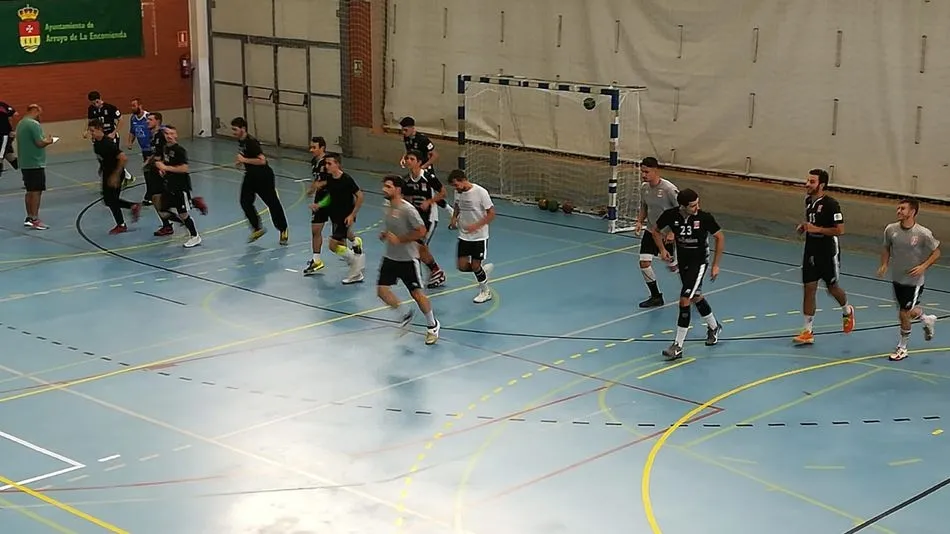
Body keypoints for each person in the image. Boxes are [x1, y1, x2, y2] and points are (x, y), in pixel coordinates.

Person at [651, 188, 724, 360]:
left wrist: (715, 265)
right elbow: (655, 231)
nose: (697, 207)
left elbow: (720, 237)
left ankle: (677, 346)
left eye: (697, 203)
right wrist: (662, 250)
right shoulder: (671, 215)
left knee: (684, 299)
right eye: (692, 206)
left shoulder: (704, 218)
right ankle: (714, 326)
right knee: (695, 296)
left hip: (699, 263)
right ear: (682, 206)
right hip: (683, 261)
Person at [377, 174, 441, 345]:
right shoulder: (387, 206)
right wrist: (386, 234)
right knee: (382, 291)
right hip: (390, 257)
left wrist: (400, 239)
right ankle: (405, 314)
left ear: (398, 189)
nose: (384, 189)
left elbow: (421, 231)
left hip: (408, 259)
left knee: (417, 295)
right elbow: (393, 227)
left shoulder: (408, 210)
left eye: (388, 186)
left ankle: (432, 325)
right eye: (384, 186)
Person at [793, 168, 855, 345]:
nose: (807, 184)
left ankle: (847, 311)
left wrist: (817, 229)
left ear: (821, 185)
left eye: (812, 182)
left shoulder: (831, 204)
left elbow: (840, 230)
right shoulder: (808, 201)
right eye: (807, 180)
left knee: (832, 288)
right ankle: (807, 331)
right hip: (810, 249)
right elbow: (812, 222)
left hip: (828, 251)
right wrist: (804, 226)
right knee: (809, 288)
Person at [877, 198, 940, 361]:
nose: (899, 211)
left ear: (912, 212)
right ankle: (926, 319)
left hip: (914, 281)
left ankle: (902, 348)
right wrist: (884, 264)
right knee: (907, 311)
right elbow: (886, 247)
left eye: (903, 208)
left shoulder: (922, 233)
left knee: (903, 313)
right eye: (898, 208)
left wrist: (923, 266)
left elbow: (936, 252)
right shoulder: (891, 229)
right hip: (897, 278)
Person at [230, 117, 289, 245]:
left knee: (272, 203)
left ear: (243, 129)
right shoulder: (241, 142)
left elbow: (262, 160)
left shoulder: (251, 142)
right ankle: (257, 228)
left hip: (263, 176)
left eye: (235, 129)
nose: (233, 132)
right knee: (245, 202)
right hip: (250, 176)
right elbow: (245, 155)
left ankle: (283, 229)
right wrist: (240, 162)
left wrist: (244, 160)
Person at [309, 153, 365, 283]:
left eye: (330, 164)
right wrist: (319, 205)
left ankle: (357, 268)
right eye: (326, 164)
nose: (327, 166)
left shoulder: (346, 179)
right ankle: (357, 263)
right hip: (336, 215)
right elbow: (330, 197)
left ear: (337, 164)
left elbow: (360, 196)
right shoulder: (330, 180)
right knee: (337, 244)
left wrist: (352, 215)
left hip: (345, 216)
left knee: (333, 245)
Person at [634, 156, 680, 308]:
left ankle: (692, 291)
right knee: (644, 263)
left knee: (672, 265)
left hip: (667, 233)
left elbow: (682, 211)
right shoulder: (644, 188)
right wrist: (640, 221)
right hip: (651, 231)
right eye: (642, 172)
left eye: (646, 172)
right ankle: (656, 296)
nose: (643, 175)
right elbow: (644, 206)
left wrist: (674, 231)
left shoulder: (669, 189)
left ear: (655, 171)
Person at [448, 169, 496, 303]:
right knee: (462, 266)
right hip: (464, 235)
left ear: (463, 180)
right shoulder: (458, 192)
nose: (456, 188)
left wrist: (476, 226)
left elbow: (492, 213)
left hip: (479, 236)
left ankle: (485, 291)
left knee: (475, 266)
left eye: (456, 185)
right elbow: (457, 206)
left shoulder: (481, 192)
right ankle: (481, 271)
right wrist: (454, 218)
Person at [402, 150, 447, 288]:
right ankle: (435, 271)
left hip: (429, 218)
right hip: (415, 218)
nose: (408, 161)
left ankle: (432, 272)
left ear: (419, 162)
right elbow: (407, 198)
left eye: (412, 159)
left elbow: (443, 193)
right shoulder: (406, 180)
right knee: (419, 247)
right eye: (407, 158)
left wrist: (429, 201)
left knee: (419, 246)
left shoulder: (428, 177)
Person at [88, 120, 142, 234]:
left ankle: (121, 224)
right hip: (107, 173)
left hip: (115, 174)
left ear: (100, 129)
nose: (91, 133)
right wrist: (102, 167)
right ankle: (133, 206)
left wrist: (116, 175)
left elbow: (123, 158)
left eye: (92, 131)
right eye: (90, 131)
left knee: (111, 200)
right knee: (109, 200)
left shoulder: (107, 143)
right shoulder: (97, 143)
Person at [155, 125, 204, 248]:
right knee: (163, 210)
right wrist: (163, 170)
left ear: (176, 135)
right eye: (167, 134)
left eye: (172, 134)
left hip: (180, 187)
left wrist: (165, 167)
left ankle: (195, 236)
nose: (169, 136)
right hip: (169, 186)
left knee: (183, 213)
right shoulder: (166, 148)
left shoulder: (180, 150)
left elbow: (184, 168)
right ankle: (190, 209)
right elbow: (167, 163)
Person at [399, 116, 454, 220]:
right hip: (415, 169)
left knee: (431, 192)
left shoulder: (423, 140)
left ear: (412, 128)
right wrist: (404, 158)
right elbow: (408, 151)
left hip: (425, 170)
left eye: (405, 130)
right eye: (402, 130)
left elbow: (435, 155)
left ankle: (446, 210)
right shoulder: (406, 138)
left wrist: (423, 167)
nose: (403, 132)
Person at [15, 104, 54, 230]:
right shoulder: (33, 124)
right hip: (35, 162)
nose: (40, 116)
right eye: (39, 113)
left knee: (29, 190)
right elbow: (39, 142)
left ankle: (29, 217)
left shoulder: (21, 123)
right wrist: (49, 141)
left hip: (25, 162)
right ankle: (35, 218)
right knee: (36, 191)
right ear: (35, 110)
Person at [303, 136, 338, 275]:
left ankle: (355, 243)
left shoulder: (328, 162)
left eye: (314, 147)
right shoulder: (314, 162)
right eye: (310, 147)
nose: (311, 150)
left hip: (333, 198)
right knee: (315, 229)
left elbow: (334, 179)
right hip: (320, 198)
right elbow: (317, 179)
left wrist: (321, 184)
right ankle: (316, 260)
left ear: (322, 148)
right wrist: (313, 189)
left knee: (342, 233)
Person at [85, 91, 133, 186]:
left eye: (97, 102)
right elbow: (90, 122)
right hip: (99, 138)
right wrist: (87, 131)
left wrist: (114, 133)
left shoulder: (110, 108)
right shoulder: (91, 109)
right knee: (102, 157)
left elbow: (121, 120)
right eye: (93, 103)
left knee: (114, 158)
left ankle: (124, 177)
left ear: (100, 99)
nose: (96, 105)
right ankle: (124, 176)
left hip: (110, 136)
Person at [126, 98, 152, 204]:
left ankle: (151, 194)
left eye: (134, 105)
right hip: (144, 150)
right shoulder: (133, 118)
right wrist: (130, 142)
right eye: (131, 106)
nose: (132, 108)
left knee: (151, 172)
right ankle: (150, 193)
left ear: (140, 105)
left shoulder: (148, 117)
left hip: (152, 150)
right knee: (148, 172)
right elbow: (132, 131)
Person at [0, 100, 18, 178]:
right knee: (9, 156)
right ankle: (27, 173)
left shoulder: (2, 106)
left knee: (0, 156)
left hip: (3, 135)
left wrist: (12, 130)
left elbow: (15, 114)